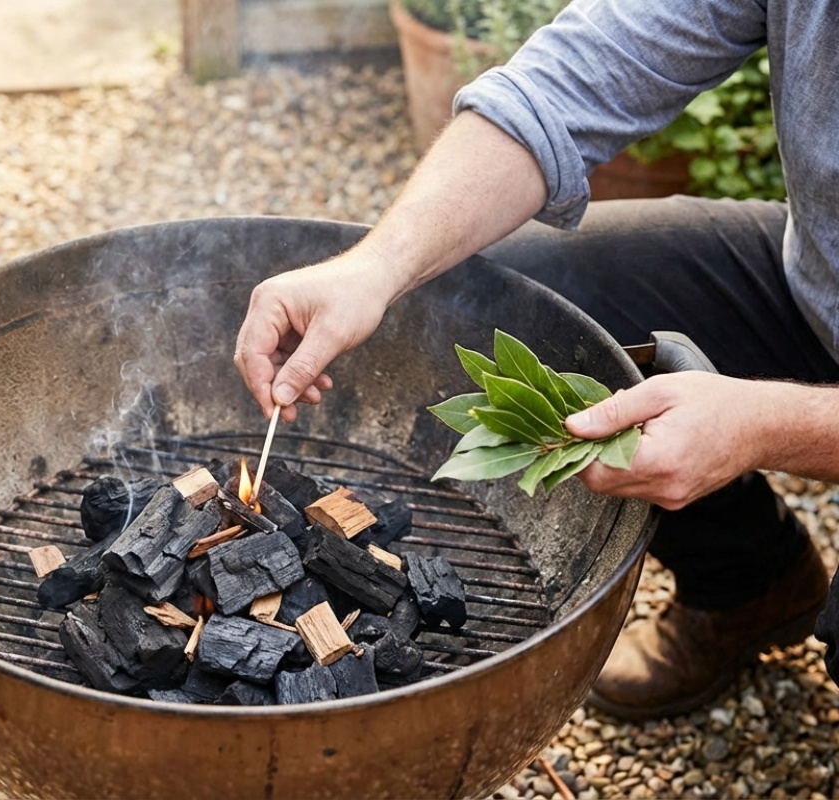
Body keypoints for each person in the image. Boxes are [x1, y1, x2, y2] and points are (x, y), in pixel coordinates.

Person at [233, 0, 839, 720]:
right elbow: (581, 73)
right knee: (510, 305)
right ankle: (750, 582)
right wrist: (375, 268)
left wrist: (772, 424)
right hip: (818, 285)